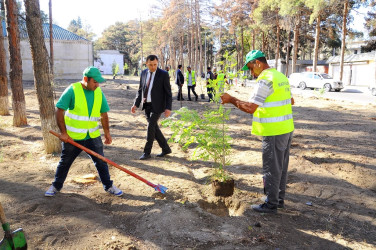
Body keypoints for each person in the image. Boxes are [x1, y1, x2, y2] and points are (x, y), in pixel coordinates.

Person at [221, 50, 294, 214]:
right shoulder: (280, 76)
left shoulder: (265, 80)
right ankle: (278, 200)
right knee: (280, 167)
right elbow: (291, 100)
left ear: (258, 64)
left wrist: (231, 99)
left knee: (271, 168)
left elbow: (250, 107)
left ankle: (270, 204)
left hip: (274, 131)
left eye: (250, 68)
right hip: (286, 128)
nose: (251, 72)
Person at [45, 66, 123, 197]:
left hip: (93, 135)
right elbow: (59, 110)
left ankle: (109, 186)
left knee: (101, 161)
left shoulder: (98, 92)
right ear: (86, 79)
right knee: (65, 162)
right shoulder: (73, 90)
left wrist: (107, 133)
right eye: (95, 82)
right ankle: (56, 186)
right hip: (73, 137)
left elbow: (104, 113)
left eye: (98, 82)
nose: (97, 85)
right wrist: (63, 133)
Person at [131, 55, 172, 160]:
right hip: (147, 105)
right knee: (154, 128)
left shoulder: (163, 74)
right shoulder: (143, 73)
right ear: (146, 63)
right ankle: (166, 148)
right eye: (150, 65)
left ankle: (147, 152)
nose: (153, 67)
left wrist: (168, 107)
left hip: (158, 106)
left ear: (157, 63)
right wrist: (136, 104)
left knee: (150, 127)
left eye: (155, 65)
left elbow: (168, 93)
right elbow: (140, 90)